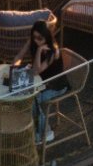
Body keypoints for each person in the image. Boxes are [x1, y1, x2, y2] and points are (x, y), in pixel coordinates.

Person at [19, 17, 67, 145]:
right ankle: (33, 126)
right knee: (25, 95)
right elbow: (34, 68)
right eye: (34, 37)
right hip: (44, 83)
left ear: (47, 36)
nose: (37, 41)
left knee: (33, 100)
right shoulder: (37, 44)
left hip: (57, 86)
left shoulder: (54, 51)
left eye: (40, 38)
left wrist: (39, 51)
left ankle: (45, 131)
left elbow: (36, 71)